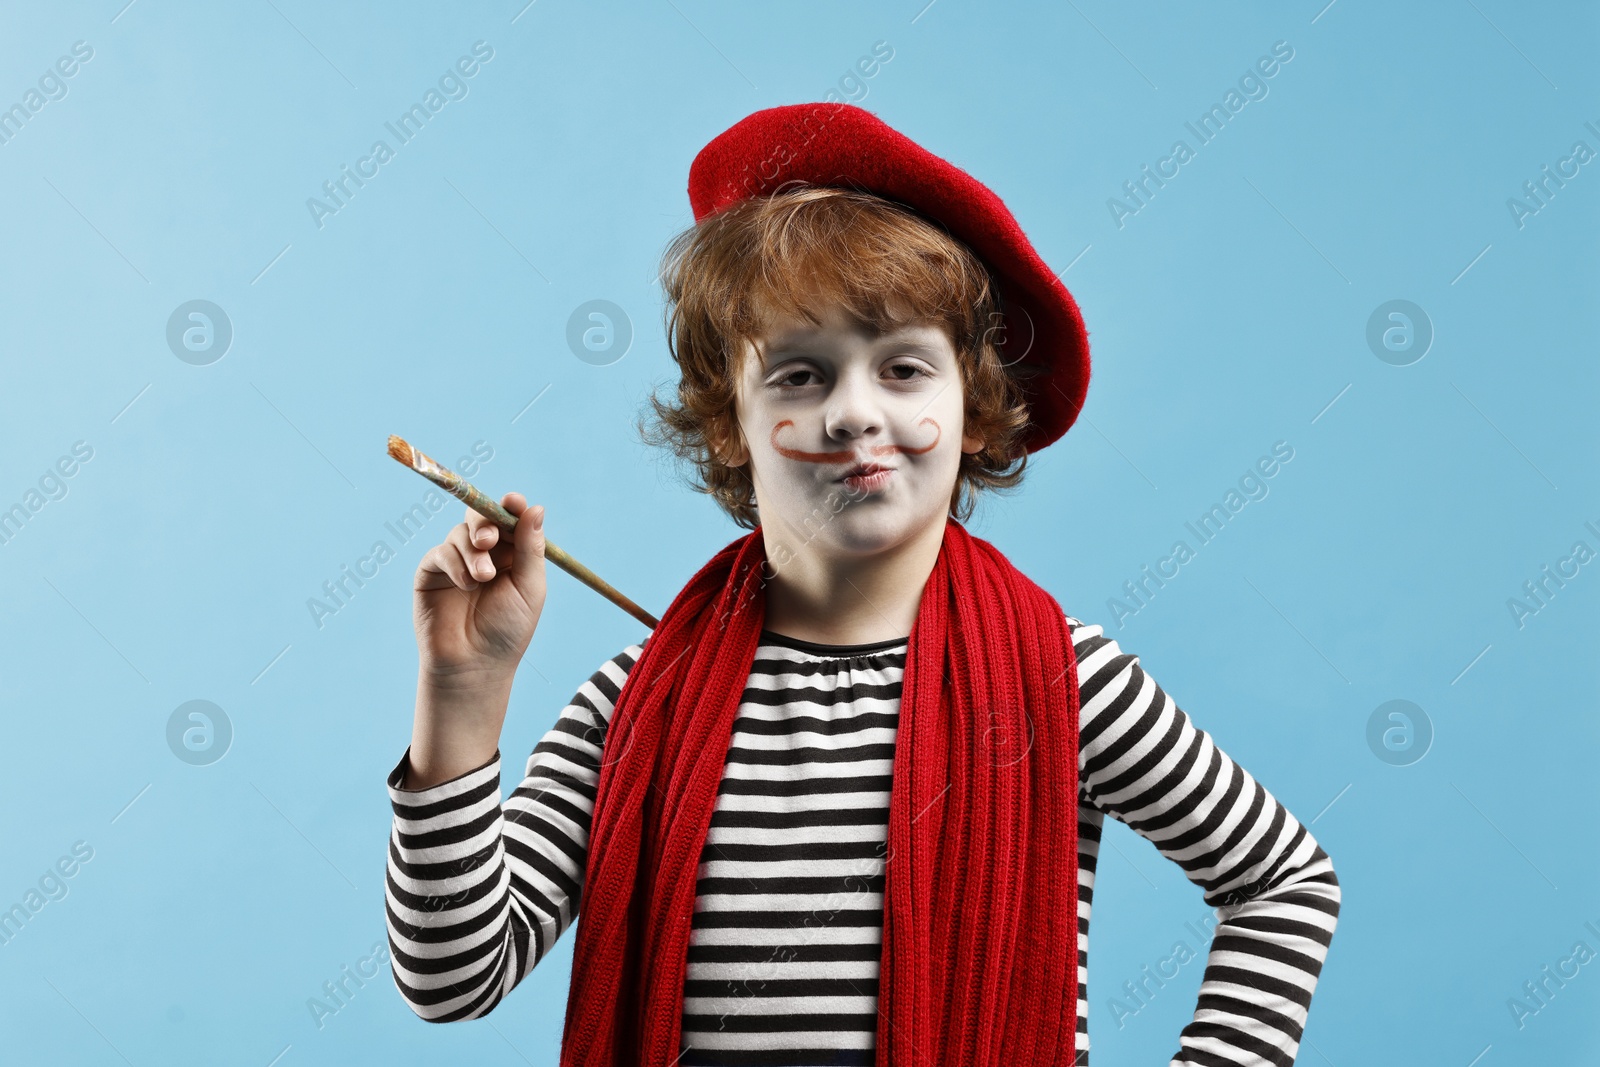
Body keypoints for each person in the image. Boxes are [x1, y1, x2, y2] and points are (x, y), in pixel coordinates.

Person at [383, 104, 1340, 1065]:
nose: (852, 414)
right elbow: (454, 977)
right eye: (799, 375)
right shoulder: (632, 702)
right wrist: (462, 696)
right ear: (728, 422)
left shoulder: (1065, 678)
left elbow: (1285, 882)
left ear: (972, 407)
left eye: (904, 368)